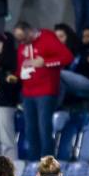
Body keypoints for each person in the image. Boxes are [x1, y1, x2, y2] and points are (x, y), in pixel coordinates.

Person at [15, 22, 74, 160]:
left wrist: (45, 62)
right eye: (19, 39)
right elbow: (19, 67)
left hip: (45, 91)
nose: (21, 42)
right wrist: (20, 74)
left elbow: (67, 57)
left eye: (23, 38)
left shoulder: (47, 38)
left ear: (29, 31)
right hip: (28, 92)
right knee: (30, 129)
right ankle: (33, 161)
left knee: (44, 128)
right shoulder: (23, 46)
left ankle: (47, 161)